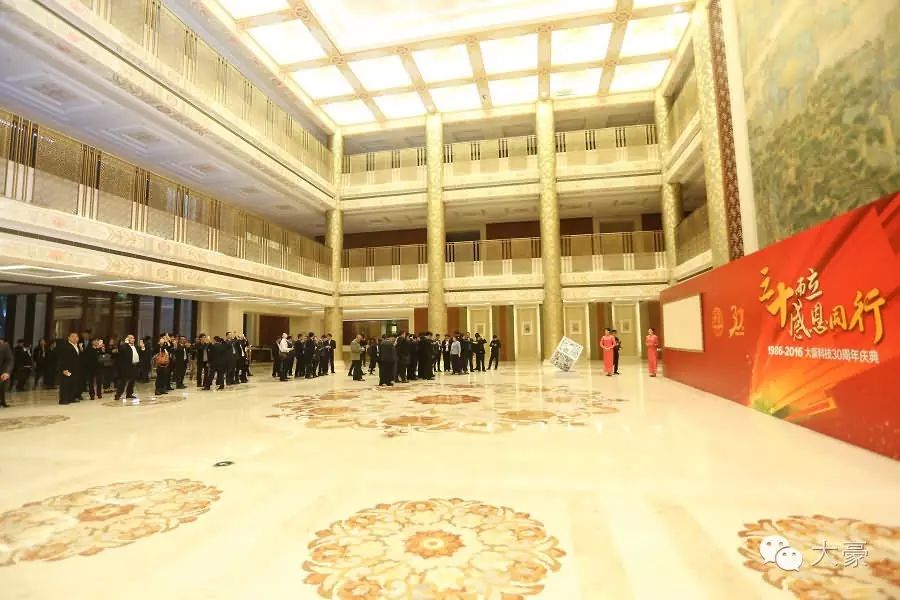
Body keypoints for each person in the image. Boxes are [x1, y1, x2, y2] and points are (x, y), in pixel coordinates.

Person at [57, 332, 82, 405]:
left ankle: (71, 398)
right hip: (67, 368)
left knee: (73, 383)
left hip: (75, 369)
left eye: (76, 336)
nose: (75, 338)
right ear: (69, 338)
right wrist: (63, 369)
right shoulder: (65, 346)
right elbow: (62, 359)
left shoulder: (77, 346)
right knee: (65, 384)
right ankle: (63, 400)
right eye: (72, 336)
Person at [115, 334, 140, 401]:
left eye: (133, 338)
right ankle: (118, 395)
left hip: (134, 365)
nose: (132, 339)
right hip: (126, 366)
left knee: (132, 381)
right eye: (131, 338)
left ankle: (129, 393)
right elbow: (120, 349)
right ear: (128, 339)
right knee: (123, 381)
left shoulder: (136, 346)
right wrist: (125, 343)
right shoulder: (125, 346)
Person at [0, 338, 12, 408]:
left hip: (1, 372)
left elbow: (9, 360)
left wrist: (6, 372)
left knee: (2, 388)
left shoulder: (4, 346)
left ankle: (3, 402)